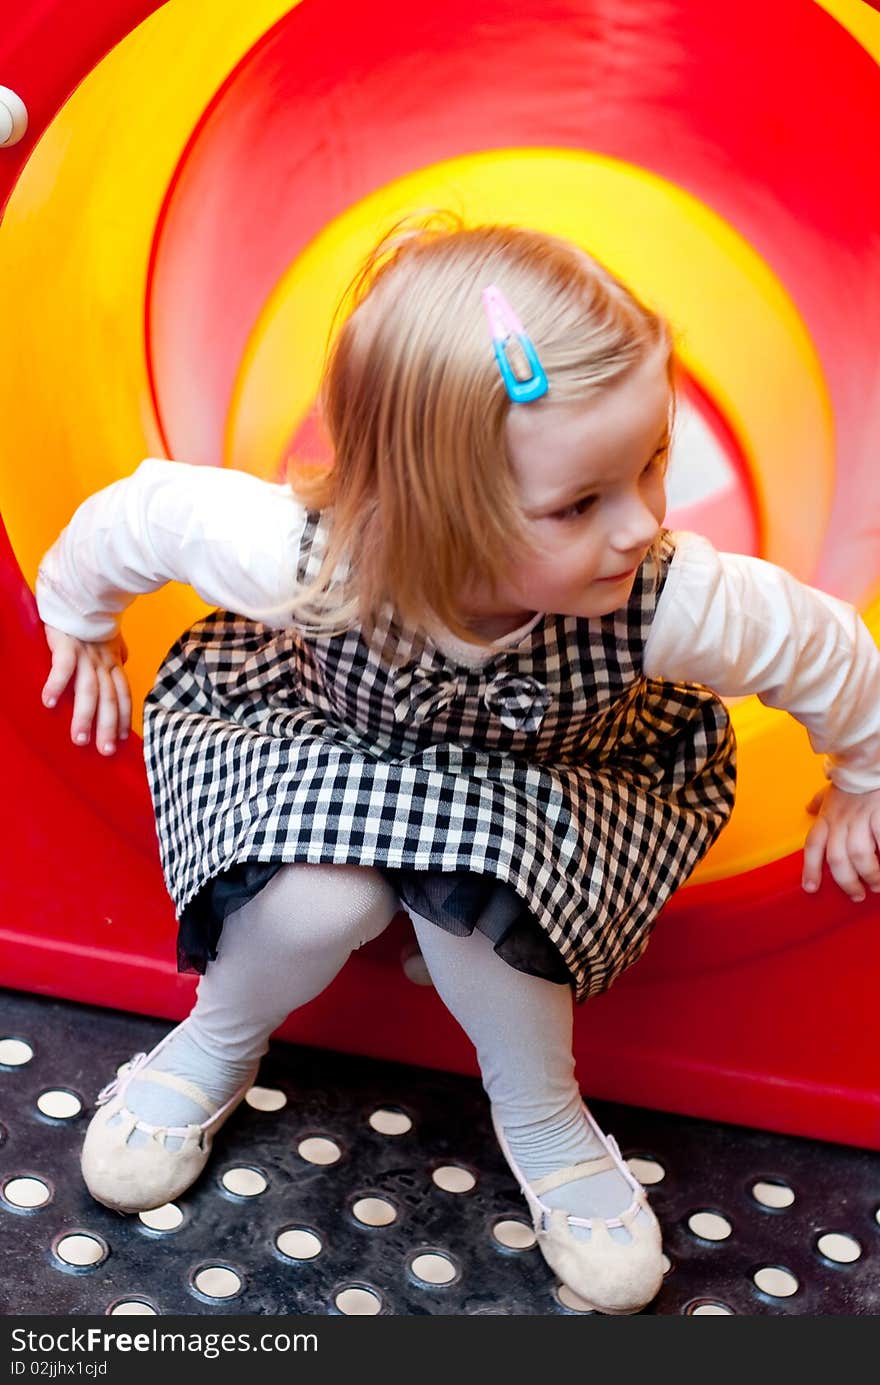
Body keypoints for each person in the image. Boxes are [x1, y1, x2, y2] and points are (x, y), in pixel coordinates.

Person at [35, 217, 880, 1315]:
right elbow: (139, 515)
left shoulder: (661, 594)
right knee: (311, 902)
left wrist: (860, 771)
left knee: (473, 908)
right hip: (322, 747)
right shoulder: (300, 553)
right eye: (581, 503)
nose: (638, 525)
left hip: (543, 789)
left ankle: (542, 1112)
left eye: (652, 463)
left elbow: (817, 646)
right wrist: (79, 615)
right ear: (434, 507)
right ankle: (217, 1033)